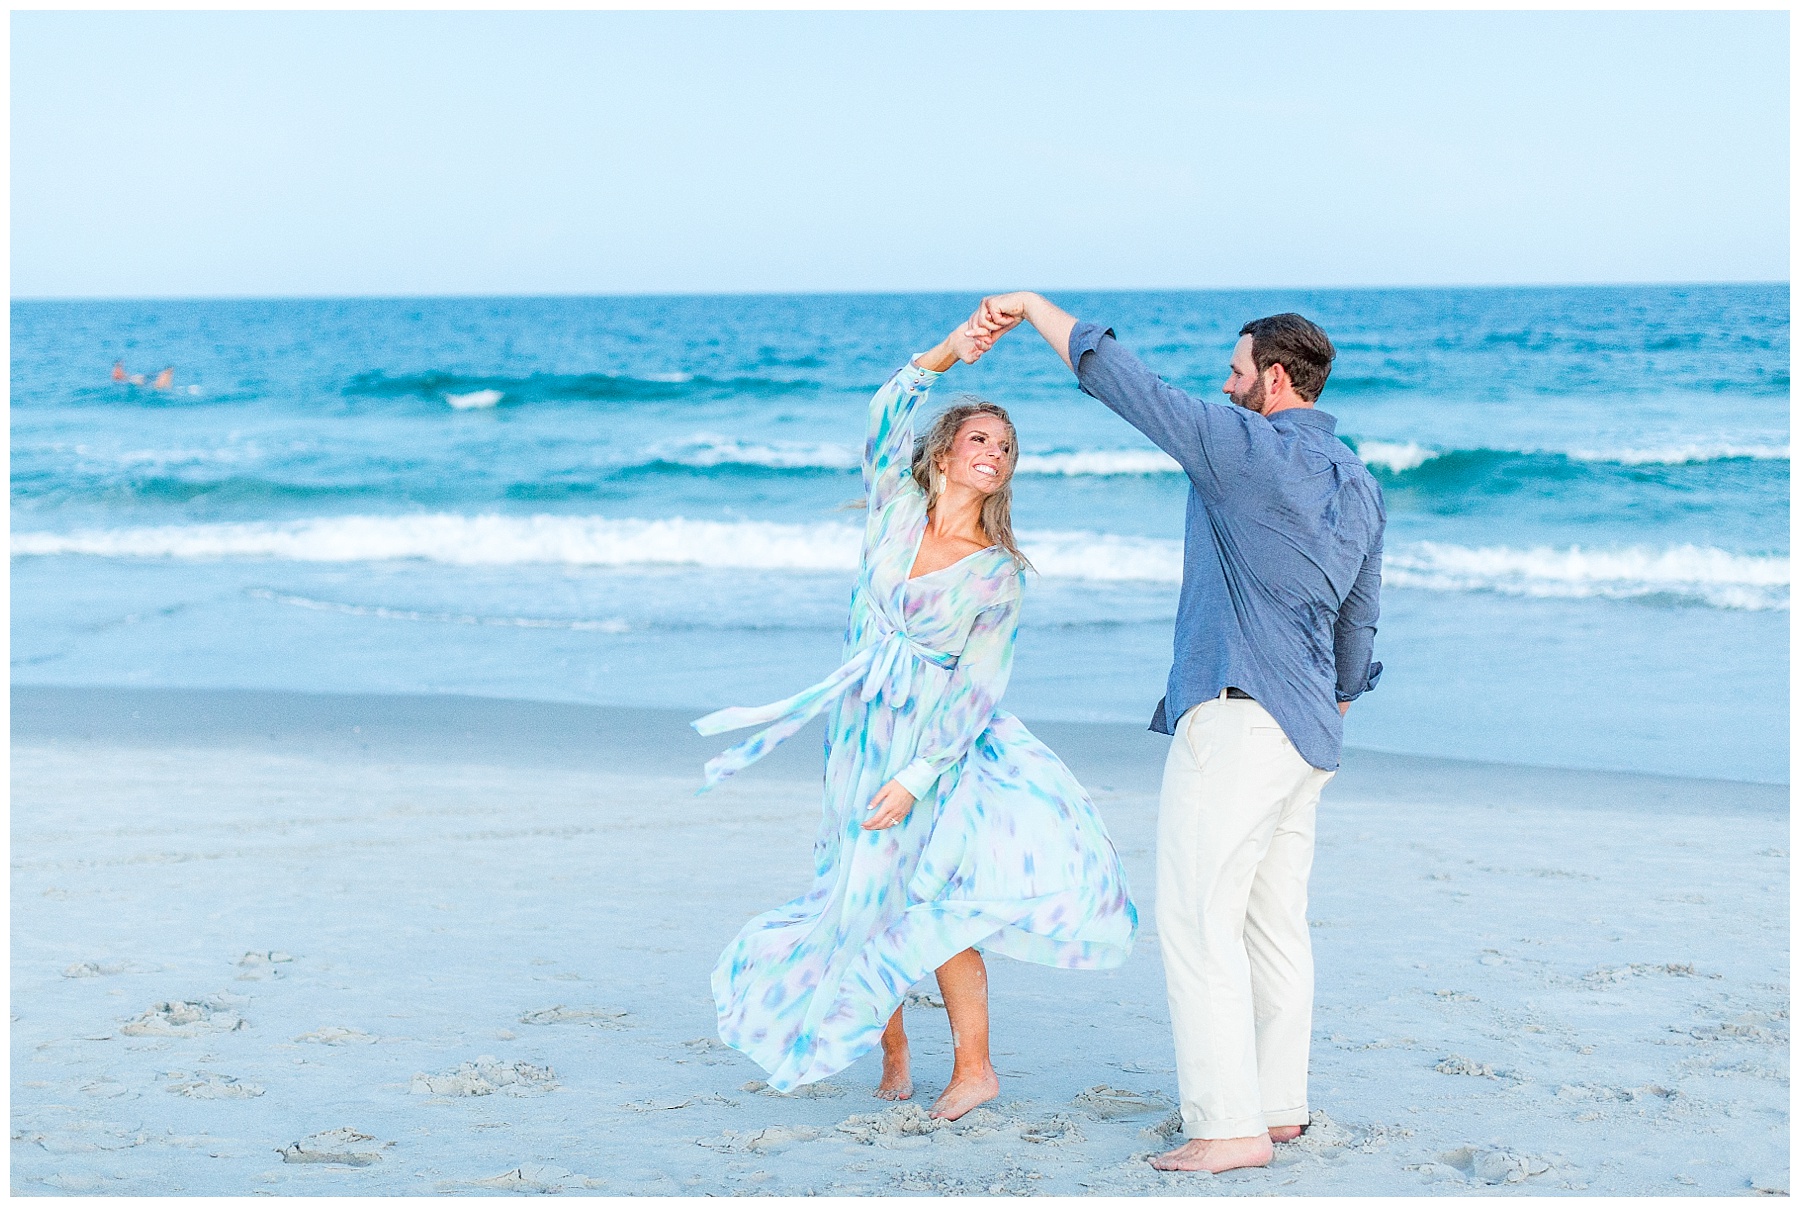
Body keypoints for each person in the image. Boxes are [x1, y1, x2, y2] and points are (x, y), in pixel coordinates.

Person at [971, 292, 1384, 1173]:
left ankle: (1228, 1125)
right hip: (1310, 731)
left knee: (1198, 919)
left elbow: (1126, 383)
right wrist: (1336, 697)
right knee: (1274, 924)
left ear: (1274, 379)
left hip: (1239, 715)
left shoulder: (1242, 446)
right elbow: (1360, 622)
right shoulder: (1358, 479)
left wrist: (1036, 309)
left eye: (1236, 371)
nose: (1225, 384)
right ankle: (1277, 1106)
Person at [693, 314, 1138, 1120]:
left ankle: (976, 1067)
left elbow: (977, 688)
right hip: (858, 732)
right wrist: (949, 351)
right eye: (980, 439)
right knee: (858, 890)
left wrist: (914, 777)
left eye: (1005, 449)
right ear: (941, 455)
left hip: (936, 750)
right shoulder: (893, 508)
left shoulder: (998, 574)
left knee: (938, 900)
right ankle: (893, 1042)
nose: (994, 455)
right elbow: (886, 408)